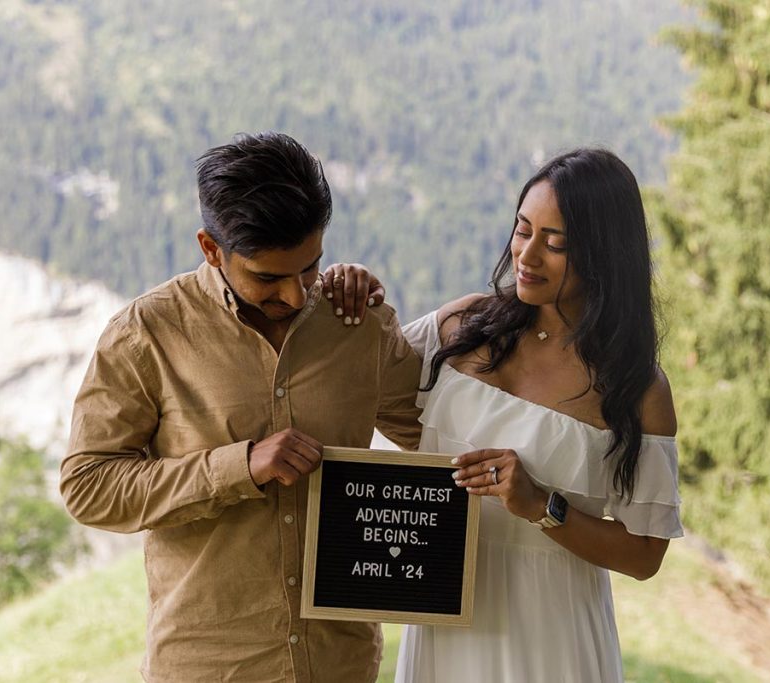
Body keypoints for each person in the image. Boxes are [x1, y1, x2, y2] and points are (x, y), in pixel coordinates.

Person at [59, 131, 423, 682]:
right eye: (269, 277)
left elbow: (439, 429)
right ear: (211, 249)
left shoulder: (357, 322)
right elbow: (88, 487)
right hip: (209, 665)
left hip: (341, 665)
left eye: (310, 267)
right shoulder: (145, 334)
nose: (298, 295)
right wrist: (240, 466)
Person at [324, 148, 682, 682]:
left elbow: (645, 555)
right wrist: (352, 290)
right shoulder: (461, 326)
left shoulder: (636, 389)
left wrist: (541, 504)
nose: (527, 255)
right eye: (522, 230)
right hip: (442, 617)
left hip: (551, 638)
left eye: (554, 242)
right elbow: (363, 384)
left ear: (605, 253)